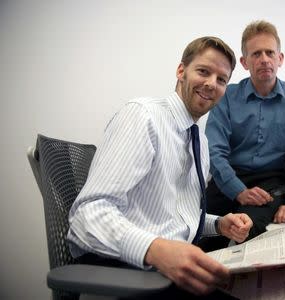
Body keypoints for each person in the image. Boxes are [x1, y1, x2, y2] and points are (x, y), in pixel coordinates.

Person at [67, 36, 252, 297]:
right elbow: (87, 217)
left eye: (221, 79)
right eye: (203, 71)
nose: (212, 83)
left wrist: (219, 224)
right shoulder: (143, 116)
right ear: (180, 71)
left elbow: (172, 216)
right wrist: (156, 249)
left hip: (166, 268)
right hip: (133, 272)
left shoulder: (199, 140)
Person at [204, 20, 285, 245]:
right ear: (245, 62)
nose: (264, 59)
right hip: (228, 177)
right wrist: (238, 191)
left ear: (280, 58)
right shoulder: (225, 95)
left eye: (269, 52)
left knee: (245, 228)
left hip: (271, 181)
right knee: (201, 234)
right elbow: (214, 152)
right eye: (256, 54)